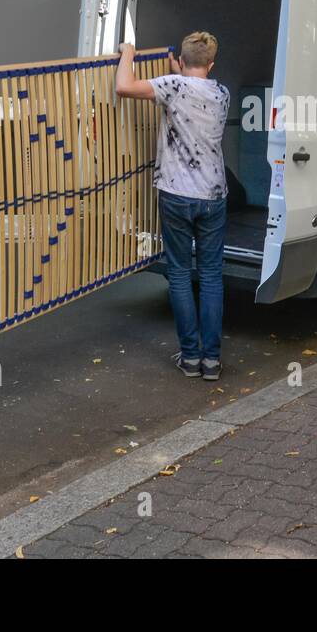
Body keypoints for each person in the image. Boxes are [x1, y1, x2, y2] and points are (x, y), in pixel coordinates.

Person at [115, 32, 230, 381]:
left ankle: (190, 358)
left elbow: (124, 86)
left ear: (181, 61)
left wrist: (129, 53)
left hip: (176, 194)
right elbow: (188, 89)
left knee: (180, 274)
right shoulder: (221, 93)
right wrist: (177, 71)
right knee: (211, 276)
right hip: (213, 196)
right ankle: (211, 361)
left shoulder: (172, 86)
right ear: (211, 64)